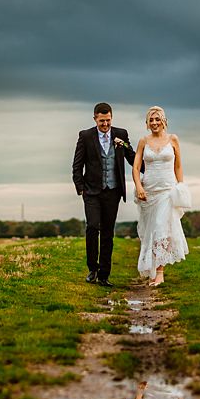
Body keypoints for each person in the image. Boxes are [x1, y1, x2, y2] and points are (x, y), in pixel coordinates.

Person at [72, 102, 138, 288]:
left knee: (108, 233)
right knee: (93, 227)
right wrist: (80, 188)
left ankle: (104, 275)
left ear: (111, 118)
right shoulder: (85, 136)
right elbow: (77, 165)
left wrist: (150, 169)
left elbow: (131, 157)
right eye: (102, 121)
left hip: (113, 192)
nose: (105, 124)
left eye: (108, 120)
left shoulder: (121, 135)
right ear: (95, 119)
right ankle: (92, 268)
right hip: (92, 192)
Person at [132, 106, 190, 286]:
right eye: (151, 120)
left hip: (167, 190)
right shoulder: (143, 141)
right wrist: (139, 186)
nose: (155, 123)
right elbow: (135, 167)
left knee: (161, 229)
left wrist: (180, 187)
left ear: (164, 121)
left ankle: (160, 272)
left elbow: (178, 166)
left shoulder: (173, 139)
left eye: (158, 119)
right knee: (150, 232)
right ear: (147, 123)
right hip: (149, 192)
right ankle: (151, 268)